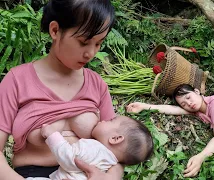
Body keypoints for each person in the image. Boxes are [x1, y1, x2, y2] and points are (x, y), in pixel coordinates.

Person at [0, 0, 126, 179]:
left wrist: (109, 177)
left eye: (98, 44)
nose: (91, 53)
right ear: (55, 30)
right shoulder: (17, 81)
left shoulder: (97, 84)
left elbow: (118, 151)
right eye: (84, 42)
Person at [25, 115, 153, 180]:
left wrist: (52, 135)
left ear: (115, 139)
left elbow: (69, 158)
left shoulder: (95, 149)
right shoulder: (109, 163)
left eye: (110, 121)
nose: (104, 120)